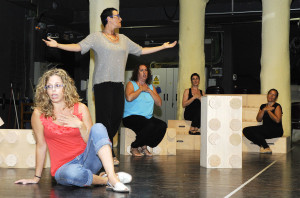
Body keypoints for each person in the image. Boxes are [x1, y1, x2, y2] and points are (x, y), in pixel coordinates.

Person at [42, 8, 177, 165]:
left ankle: (100, 144)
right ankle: (107, 152)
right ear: (108, 19)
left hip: (117, 84)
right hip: (102, 84)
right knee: (104, 119)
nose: (120, 18)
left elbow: (141, 50)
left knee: (116, 118)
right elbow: (78, 47)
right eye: (117, 16)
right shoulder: (97, 37)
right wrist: (58, 45)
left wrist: (163, 47)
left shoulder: (124, 39)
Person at [15, 68, 131, 193]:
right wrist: (36, 177)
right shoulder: (38, 114)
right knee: (73, 174)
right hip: (64, 168)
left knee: (98, 127)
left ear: (66, 87)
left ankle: (112, 178)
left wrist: (80, 125)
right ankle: (106, 180)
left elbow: (91, 140)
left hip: (87, 160)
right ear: (45, 90)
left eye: (58, 85)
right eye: (49, 86)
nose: (53, 90)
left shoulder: (81, 108)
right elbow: (41, 146)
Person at [122, 64, 167, 157]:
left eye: (146, 70)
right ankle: (134, 146)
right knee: (149, 125)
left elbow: (159, 103)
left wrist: (150, 91)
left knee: (162, 125)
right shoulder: (131, 84)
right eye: (141, 70)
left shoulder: (151, 87)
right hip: (130, 116)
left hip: (147, 117)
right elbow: (129, 98)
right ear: (137, 72)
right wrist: (141, 89)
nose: (144, 72)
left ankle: (144, 144)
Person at [243, 88, 283, 154]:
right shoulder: (263, 106)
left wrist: (269, 111)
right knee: (246, 130)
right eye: (270, 94)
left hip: (276, 130)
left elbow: (277, 120)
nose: (271, 96)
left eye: (274, 95)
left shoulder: (277, 106)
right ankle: (263, 145)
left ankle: (266, 147)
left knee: (256, 131)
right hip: (266, 128)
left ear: (276, 97)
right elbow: (258, 119)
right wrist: (264, 109)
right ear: (267, 95)